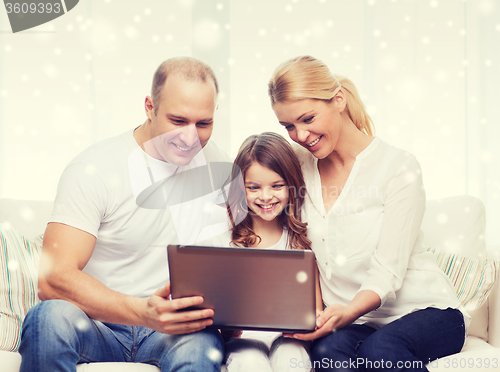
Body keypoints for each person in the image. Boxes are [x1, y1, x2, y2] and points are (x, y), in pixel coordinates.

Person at [19, 57, 231, 372]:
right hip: (97, 325)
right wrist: (140, 311)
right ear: (149, 106)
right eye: (177, 120)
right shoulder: (95, 169)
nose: (190, 138)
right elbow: (53, 279)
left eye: (203, 124)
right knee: (47, 319)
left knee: (204, 345)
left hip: (171, 332)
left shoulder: (217, 165)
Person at [267, 55, 469, 372]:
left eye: (308, 119)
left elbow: (387, 271)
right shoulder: (297, 166)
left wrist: (346, 312)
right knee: (328, 352)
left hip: (426, 311)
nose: (301, 135)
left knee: (381, 350)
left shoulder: (398, 167)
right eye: (288, 126)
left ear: (338, 99)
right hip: (355, 320)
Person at [206, 132, 322, 372]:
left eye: (277, 186)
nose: (266, 196)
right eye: (254, 188)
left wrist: (305, 325)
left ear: (291, 186)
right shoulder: (225, 240)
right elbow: (212, 311)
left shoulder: (298, 240)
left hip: (290, 340)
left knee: (291, 357)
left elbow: (316, 309)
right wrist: (224, 328)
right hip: (241, 341)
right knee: (248, 361)